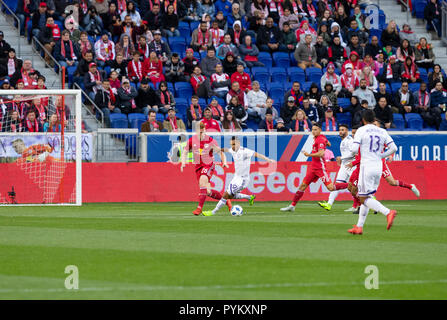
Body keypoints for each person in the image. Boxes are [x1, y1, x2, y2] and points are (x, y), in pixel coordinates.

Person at [346, 110, 398, 235]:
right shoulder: (382, 131)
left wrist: (349, 154)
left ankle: (388, 212)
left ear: (363, 119)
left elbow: (354, 150)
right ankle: (359, 227)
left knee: (363, 198)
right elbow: (394, 148)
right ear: (374, 118)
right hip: (378, 166)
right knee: (367, 196)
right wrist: (380, 155)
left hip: (366, 166)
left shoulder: (361, 130)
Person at [280, 123, 348, 212]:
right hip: (313, 168)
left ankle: (350, 185)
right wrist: (325, 143)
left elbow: (321, 153)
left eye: (316, 130)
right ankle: (292, 206)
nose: (313, 131)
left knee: (331, 188)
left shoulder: (320, 139)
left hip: (320, 168)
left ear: (320, 130)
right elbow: (329, 144)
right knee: (303, 185)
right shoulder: (321, 138)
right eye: (312, 129)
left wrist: (308, 154)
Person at [202, 136, 275, 216]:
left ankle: (213, 212)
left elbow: (257, 155)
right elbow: (226, 150)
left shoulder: (245, 151)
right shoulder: (232, 150)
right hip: (236, 178)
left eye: (234, 144)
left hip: (243, 180)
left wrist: (268, 160)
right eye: (231, 144)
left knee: (226, 195)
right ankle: (250, 197)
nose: (232, 146)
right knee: (231, 195)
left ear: (238, 143)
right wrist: (217, 150)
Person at [180, 121, 229, 216]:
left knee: (202, 181)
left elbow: (220, 152)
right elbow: (185, 152)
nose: (201, 134)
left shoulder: (211, 141)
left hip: (208, 164)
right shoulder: (191, 140)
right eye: (199, 131)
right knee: (207, 191)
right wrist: (183, 163)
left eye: (203, 131)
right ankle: (227, 201)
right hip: (198, 166)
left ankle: (199, 208)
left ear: (205, 131)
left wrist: (224, 162)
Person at [318, 124, 355, 211]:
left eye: (343, 130)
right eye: (340, 130)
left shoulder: (350, 140)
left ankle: (371, 200)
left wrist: (341, 158)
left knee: (357, 186)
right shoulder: (343, 141)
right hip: (344, 166)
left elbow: (353, 153)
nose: (341, 131)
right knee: (337, 184)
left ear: (347, 131)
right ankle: (329, 204)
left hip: (351, 165)